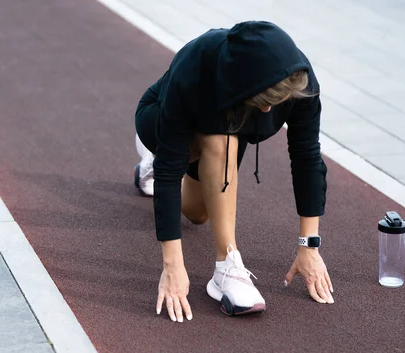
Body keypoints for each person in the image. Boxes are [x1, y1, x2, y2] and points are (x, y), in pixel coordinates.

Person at [133, 21, 334, 323]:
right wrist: (172, 265)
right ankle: (227, 267)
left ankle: (156, 163)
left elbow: (307, 158)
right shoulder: (195, 65)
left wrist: (309, 245)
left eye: (276, 103)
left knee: (198, 215)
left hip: (225, 131)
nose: (268, 111)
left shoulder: (298, 78)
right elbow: (170, 171)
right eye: (263, 101)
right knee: (217, 138)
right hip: (163, 120)